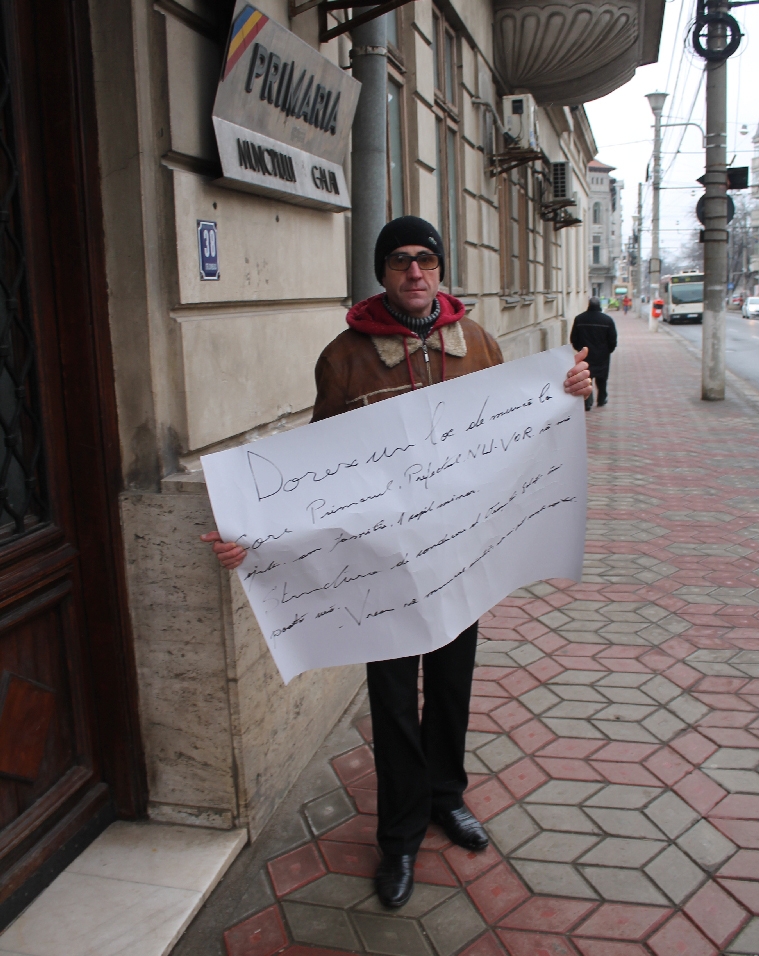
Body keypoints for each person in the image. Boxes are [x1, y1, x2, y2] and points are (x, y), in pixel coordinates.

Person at [202, 216, 592, 909]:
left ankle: (448, 797)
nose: (416, 272)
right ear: (382, 273)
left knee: (451, 685)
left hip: (461, 560)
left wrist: (566, 400)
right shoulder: (344, 357)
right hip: (381, 566)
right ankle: (400, 836)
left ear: (441, 269)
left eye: (427, 260)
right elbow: (312, 470)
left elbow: (515, 432)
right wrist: (253, 536)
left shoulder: (478, 344)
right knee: (391, 702)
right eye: (401, 261)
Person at [570, 296, 617, 411]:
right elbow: (613, 340)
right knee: (602, 379)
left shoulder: (579, 319)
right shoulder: (607, 320)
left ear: (589, 305)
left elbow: (573, 338)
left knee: (586, 377)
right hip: (602, 355)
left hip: (586, 355)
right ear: (599, 305)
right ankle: (601, 399)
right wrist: (607, 351)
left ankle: (587, 402)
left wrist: (580, 350)